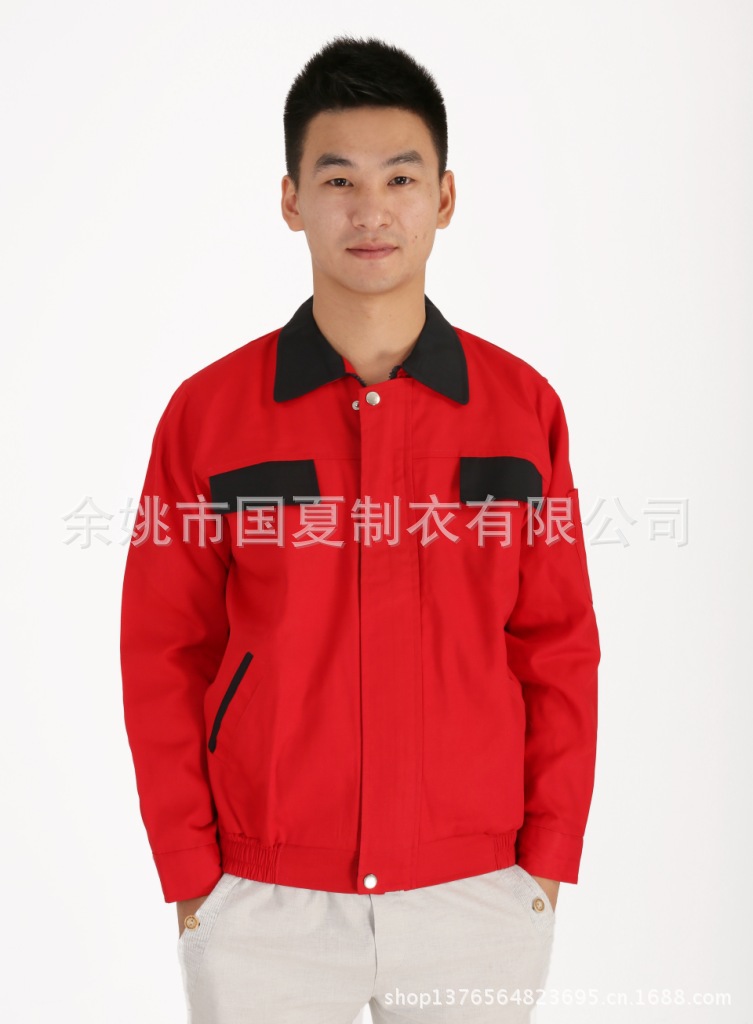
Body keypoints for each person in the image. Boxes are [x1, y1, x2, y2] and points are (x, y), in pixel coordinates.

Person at [120, 34, 600, 1024]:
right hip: (263, 898)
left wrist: (546, 860)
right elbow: (162, 650)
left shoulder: (521, 409)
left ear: (445, 198)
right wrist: (193, 874)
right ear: (291, 199)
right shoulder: (209, 415)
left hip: (476, 891)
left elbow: (558, 645)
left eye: (400, 178)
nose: (370, 209)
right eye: (338, 179)